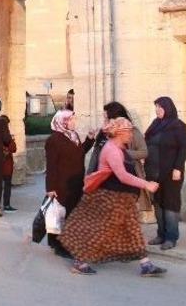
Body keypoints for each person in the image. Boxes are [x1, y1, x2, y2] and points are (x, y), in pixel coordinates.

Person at [58, 118, 166, 277]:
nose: (131, 135)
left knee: (134, 230)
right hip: (110, 198)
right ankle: (80, 262)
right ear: (120, 133)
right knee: (101, 231)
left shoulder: (119, 147)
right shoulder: (111, 150)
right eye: (128, 132)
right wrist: (146, 184)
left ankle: (146, 265)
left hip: (123, 198)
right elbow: (122, 176)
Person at [45, 109, 94, 257]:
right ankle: (61, 247)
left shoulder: (73, 136)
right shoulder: (54, 140)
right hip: (61, 184)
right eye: (71, 119)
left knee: (69, 214)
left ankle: (57, 242)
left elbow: (79, 153)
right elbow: (51, 166)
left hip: (75, 182)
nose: (74, 122)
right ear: (63, 121)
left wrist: (89, 139)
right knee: (62, 215)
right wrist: (51, 187)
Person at [144, 96, 186, 250]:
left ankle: (171, 237)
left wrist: (178, 167)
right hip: (153, 172)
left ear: (168, 108)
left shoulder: (178, 126)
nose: (157, 109)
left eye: (160, 107)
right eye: (156, 107)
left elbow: (184, 147)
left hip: (170, 172)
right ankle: (161, 234)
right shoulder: (155, 124)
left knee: (170, 204)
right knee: (158, 203)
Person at [86, 101, 147, 173]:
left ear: (116, 118)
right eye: (104, 118)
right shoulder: (102, 132)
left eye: (107, 118)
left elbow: (144, 152)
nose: (105, 121)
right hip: (103, 175)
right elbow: (95, 154)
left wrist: (122, 153)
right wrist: (89, 173)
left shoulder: (132, 130)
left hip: (127, 173)